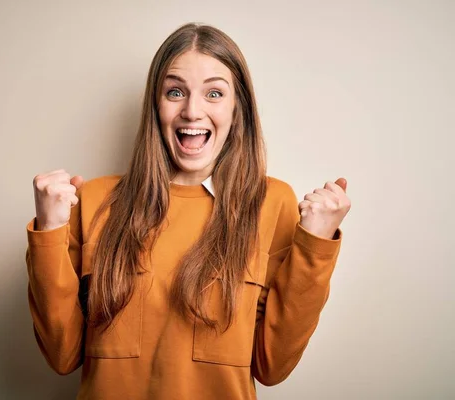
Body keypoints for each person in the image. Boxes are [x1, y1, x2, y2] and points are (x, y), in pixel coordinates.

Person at [25, 22, 351, 400]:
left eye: (214, 93)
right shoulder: (95, 200)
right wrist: (49, 230)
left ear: (237, 107)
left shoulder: (273, 203)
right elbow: (62, 355)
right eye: (175, 92)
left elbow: (272, 367)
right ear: (155, 104)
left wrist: (316, 244)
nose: (192, 111)